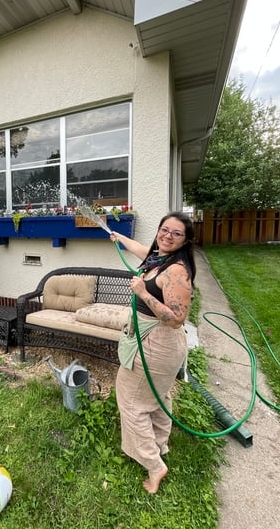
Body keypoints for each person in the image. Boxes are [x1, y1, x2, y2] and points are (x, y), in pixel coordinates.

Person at [110, 211, 196, 494]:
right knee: (158, 397)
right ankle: (160, 444)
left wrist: (143, 293)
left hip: (158, 343)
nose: (167, 236)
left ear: (186, 240)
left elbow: (176, 319)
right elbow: (142, 249)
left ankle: (154, 465)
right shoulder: (159, 257)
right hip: (155, 342)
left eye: (176, 233)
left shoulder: (176, 271)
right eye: (164, 229)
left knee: (131, 402)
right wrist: (119, 237)